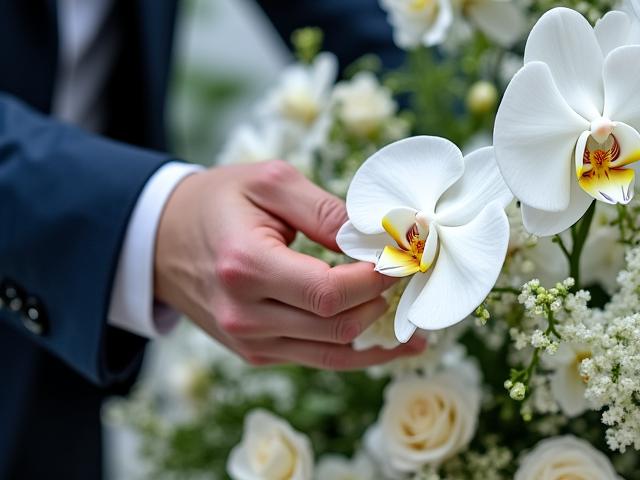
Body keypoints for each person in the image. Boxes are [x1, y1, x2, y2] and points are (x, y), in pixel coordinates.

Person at [0, 0, 424, 478]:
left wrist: (466, 158)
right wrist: (150, 222)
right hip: (87, 271)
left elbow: (361, 25)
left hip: (69, 348)